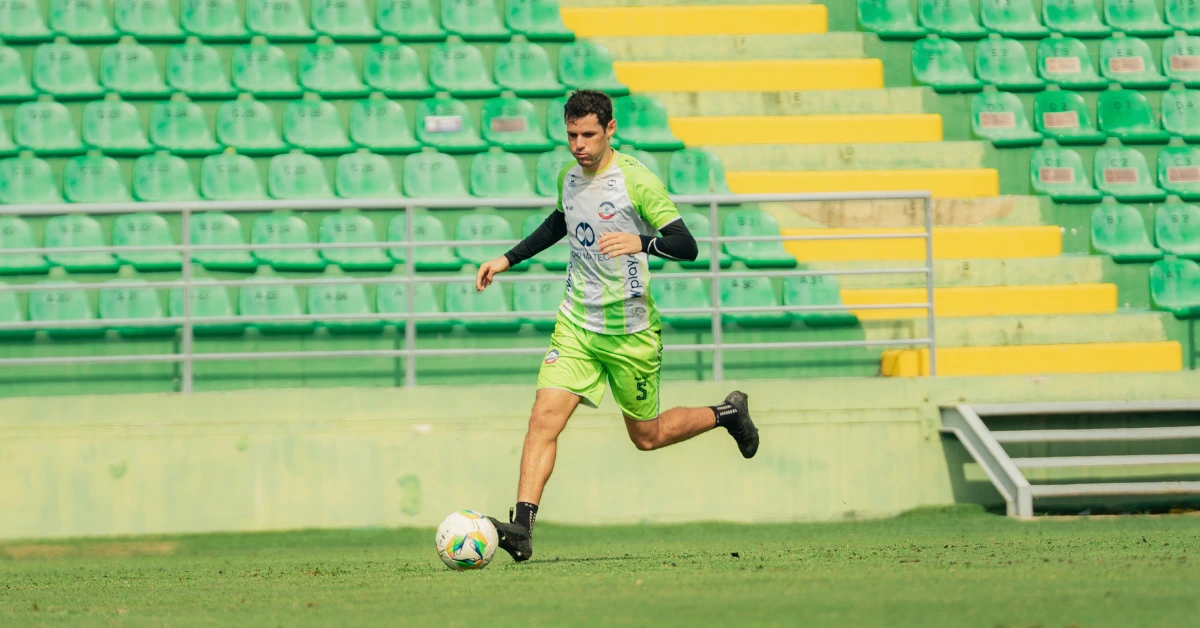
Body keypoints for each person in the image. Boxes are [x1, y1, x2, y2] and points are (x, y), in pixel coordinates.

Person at [474, 90, 759, 562]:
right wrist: (506, 258)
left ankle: (728, 413)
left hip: (630, 332)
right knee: (543, 417)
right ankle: (522, 530)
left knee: (646, 437)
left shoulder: (635, 181)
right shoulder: (569, 178)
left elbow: (686, 246)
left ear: (610, 130)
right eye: (571, 135)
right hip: (577, 325)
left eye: (588, 134)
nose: (579, 145)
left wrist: (641, 243)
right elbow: (560, 223)